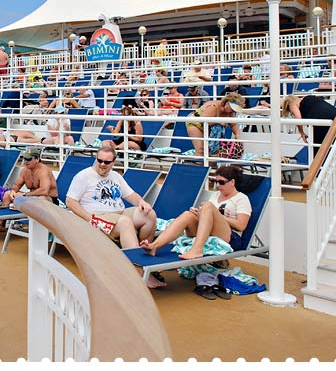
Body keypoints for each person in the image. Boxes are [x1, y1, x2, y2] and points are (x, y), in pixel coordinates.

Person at [64, 146, 161, 287]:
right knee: (125, 222)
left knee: (149, 215)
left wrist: (141, 202)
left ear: (113, 162)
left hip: (119, 212)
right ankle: (138, 272)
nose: (102, 164)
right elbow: (70, 201)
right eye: (99, 160)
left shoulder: (115, 176)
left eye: (106, 162)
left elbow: (131, 195)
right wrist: (90, 218)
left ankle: (143, 254)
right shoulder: (83, 176)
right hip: (99, 217)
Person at [140, 165, 251, 261]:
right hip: (209, 231)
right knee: (187, 215)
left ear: (232, 182)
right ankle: (154, 246)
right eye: (215, 182)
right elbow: (208, 216)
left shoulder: (241, 199)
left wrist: (218, 216)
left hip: (230, 237)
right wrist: (199, 213)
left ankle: (197, 249)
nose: (218, 185)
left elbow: (241, 226)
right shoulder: (215, 195)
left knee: (208, 206)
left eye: (221, 182)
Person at [185, 92, 246, 157]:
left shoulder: (231, 112)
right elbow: (203, 120)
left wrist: (237, 135)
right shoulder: (213, 107)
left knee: (214, 150)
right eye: (232, 109)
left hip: (209, 127)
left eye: (234, 110)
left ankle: (209, 162)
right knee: (201, 149)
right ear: (227, 103)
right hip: (195, 123)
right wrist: (219, 122)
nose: (233, 111)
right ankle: (198, 162)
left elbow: (234, 124)